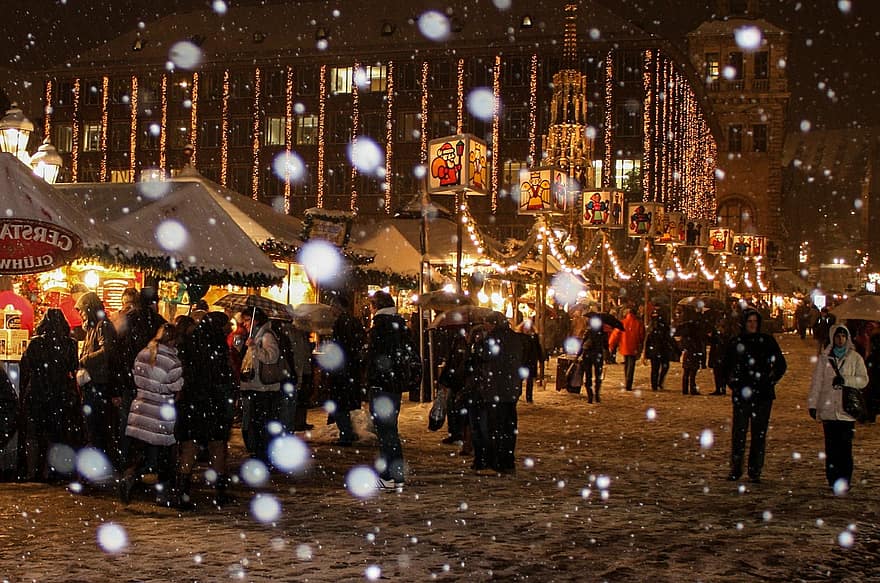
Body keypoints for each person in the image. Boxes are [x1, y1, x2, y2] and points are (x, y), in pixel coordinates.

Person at [176, 312, 238, 508]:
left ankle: (183, 492)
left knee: (190, 445)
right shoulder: (218, 346)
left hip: (192, 400)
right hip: (213, 401)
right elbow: (223, 376)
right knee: (217, 445)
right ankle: (219, 492)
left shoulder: (189, 343)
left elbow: (184, 370)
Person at [719, 309, 787, 483]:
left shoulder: (766, 341)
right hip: (742, 393)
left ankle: (755, 469)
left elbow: (780, 364)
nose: (752, 325)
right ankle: (736, 468)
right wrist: (732, 383)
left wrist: (771, 380)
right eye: (749, 321)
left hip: (762, 394)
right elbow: (724, 365)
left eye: (755, 321)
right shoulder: (736, 342)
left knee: (759, 433)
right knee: (739, 432)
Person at [119, 324, 183, 504]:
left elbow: (135, 378)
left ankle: (131, 475)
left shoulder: (142, 354)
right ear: (173, 340)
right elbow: (177, 389)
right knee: (165, 455)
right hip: (161, 411)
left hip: (140, 408)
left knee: (143, 452)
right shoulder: (173, 361)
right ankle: (163, 493)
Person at [18, 309, 80, 481]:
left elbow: (26, 365)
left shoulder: (35, 343)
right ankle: (53, 471)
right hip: (60, 393)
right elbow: (73, 367)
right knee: (56, 434)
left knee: (35, 434)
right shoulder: (70, 344)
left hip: (38, 391)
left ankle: (34, 472)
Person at [365, 291, 418, 490]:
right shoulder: (400, 326)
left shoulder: (380, 328)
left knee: (386, 432)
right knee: (390, 430)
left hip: (382, 385)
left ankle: (389, 476)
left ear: (376, 307)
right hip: (394, 386)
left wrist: (371, 381)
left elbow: (376, 360)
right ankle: (395, 474)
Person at [808, 325, 868, 493]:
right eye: (837, 336)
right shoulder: (824, 358)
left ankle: (844, 478)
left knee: (845, 448)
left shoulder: (855, 358)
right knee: (831, 448)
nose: (840, 339)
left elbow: (863, 380)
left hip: (846, 410)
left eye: (843, 336)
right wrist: (813, 404)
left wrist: (846, 380)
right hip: (828, 408)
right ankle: (833, 477)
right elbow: (817, 382)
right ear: (832, 338)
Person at [113, 288, 166, 467]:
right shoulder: (158, 323)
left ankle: (126, 461)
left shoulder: (128, 321)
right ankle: (148, 463)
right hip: (151, 382)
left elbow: (118, 354)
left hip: (131, 380)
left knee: (128, 423)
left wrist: (118, 384)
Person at [468, 314, 524, 474]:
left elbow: (482, 356)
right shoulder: (515, 338)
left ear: (492, 324)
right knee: (509, 426)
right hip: (511, 388)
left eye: (485, 323)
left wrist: (477, 344)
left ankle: (496, 462)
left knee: (495, 426)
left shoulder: (492, 339)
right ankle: (508, 461)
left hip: (495, 389)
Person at [75, 292, 118, 461]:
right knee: (93, 426)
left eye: (82, 311)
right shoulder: (94, 327)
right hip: (93, 383)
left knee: (95, 427)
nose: (80, 315)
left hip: (98, 384)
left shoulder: (102, 326)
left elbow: (107, 350)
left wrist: (85, 359)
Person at [239, 307, 282, 461]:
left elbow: (271, 357)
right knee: (256, 422)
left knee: (261, 423)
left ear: (255, 320)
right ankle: (259, 452)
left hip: (264, 387)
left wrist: (254, 347)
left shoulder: (266, 336)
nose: (244, 323)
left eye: (247, 320)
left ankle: (263, 454)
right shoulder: (256, 335)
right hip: (255, 386)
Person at [324, 294, 367, 446]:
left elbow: (343, 347)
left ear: (338, 307)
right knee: (344, 403)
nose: (331, 309)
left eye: (332, 305)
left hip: (343, 370)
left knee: (340, 403)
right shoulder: (352, 321)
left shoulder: (342, 323)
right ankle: (348, 432)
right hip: (349, 369)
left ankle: (346, 434)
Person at [576, 312, 608, 403]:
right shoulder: (602, 333)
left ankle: (590, 396)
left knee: (588, 376)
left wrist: (578, 355)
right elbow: (606, 345)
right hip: (598, 355)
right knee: (598, 376)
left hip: (588, 355)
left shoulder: (588, 331)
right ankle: (597, 395)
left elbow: (583, 344)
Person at [642, 309, 675, 391]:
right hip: (660, 350)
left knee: (657, 368)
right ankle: (656, 384)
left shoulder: (656, 326)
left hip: (658, 350)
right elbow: (648, 340)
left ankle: (656, 384)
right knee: (659, 368)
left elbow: (647, 340)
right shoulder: (654, 327)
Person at [614, 308, 645, 392]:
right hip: (634, 346)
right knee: (631, 365)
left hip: (624, 346)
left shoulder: (622, 322)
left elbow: (616, 334)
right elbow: (641, 335)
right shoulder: (638, 323)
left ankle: (626, 379)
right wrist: (640, 343)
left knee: (627, 363)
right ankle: (629, 382)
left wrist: (612, 344)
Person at [518, 319, 544, 403]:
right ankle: (518, 394)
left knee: (529, 381)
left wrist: (541, 358)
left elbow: (538, 348)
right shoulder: (519, 337)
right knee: (519, 379)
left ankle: (529, 398)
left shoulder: (534, 337)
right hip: (522, 361)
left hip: (531, 361)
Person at [678, 316, 704, 396]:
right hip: (693, 354)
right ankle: (692, 389)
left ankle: (685, 389)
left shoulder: (685, 335)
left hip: (687, 354)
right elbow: (699, 346)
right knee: (692, 373)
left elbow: (681, 345)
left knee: (686, 372)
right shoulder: (696, 335)